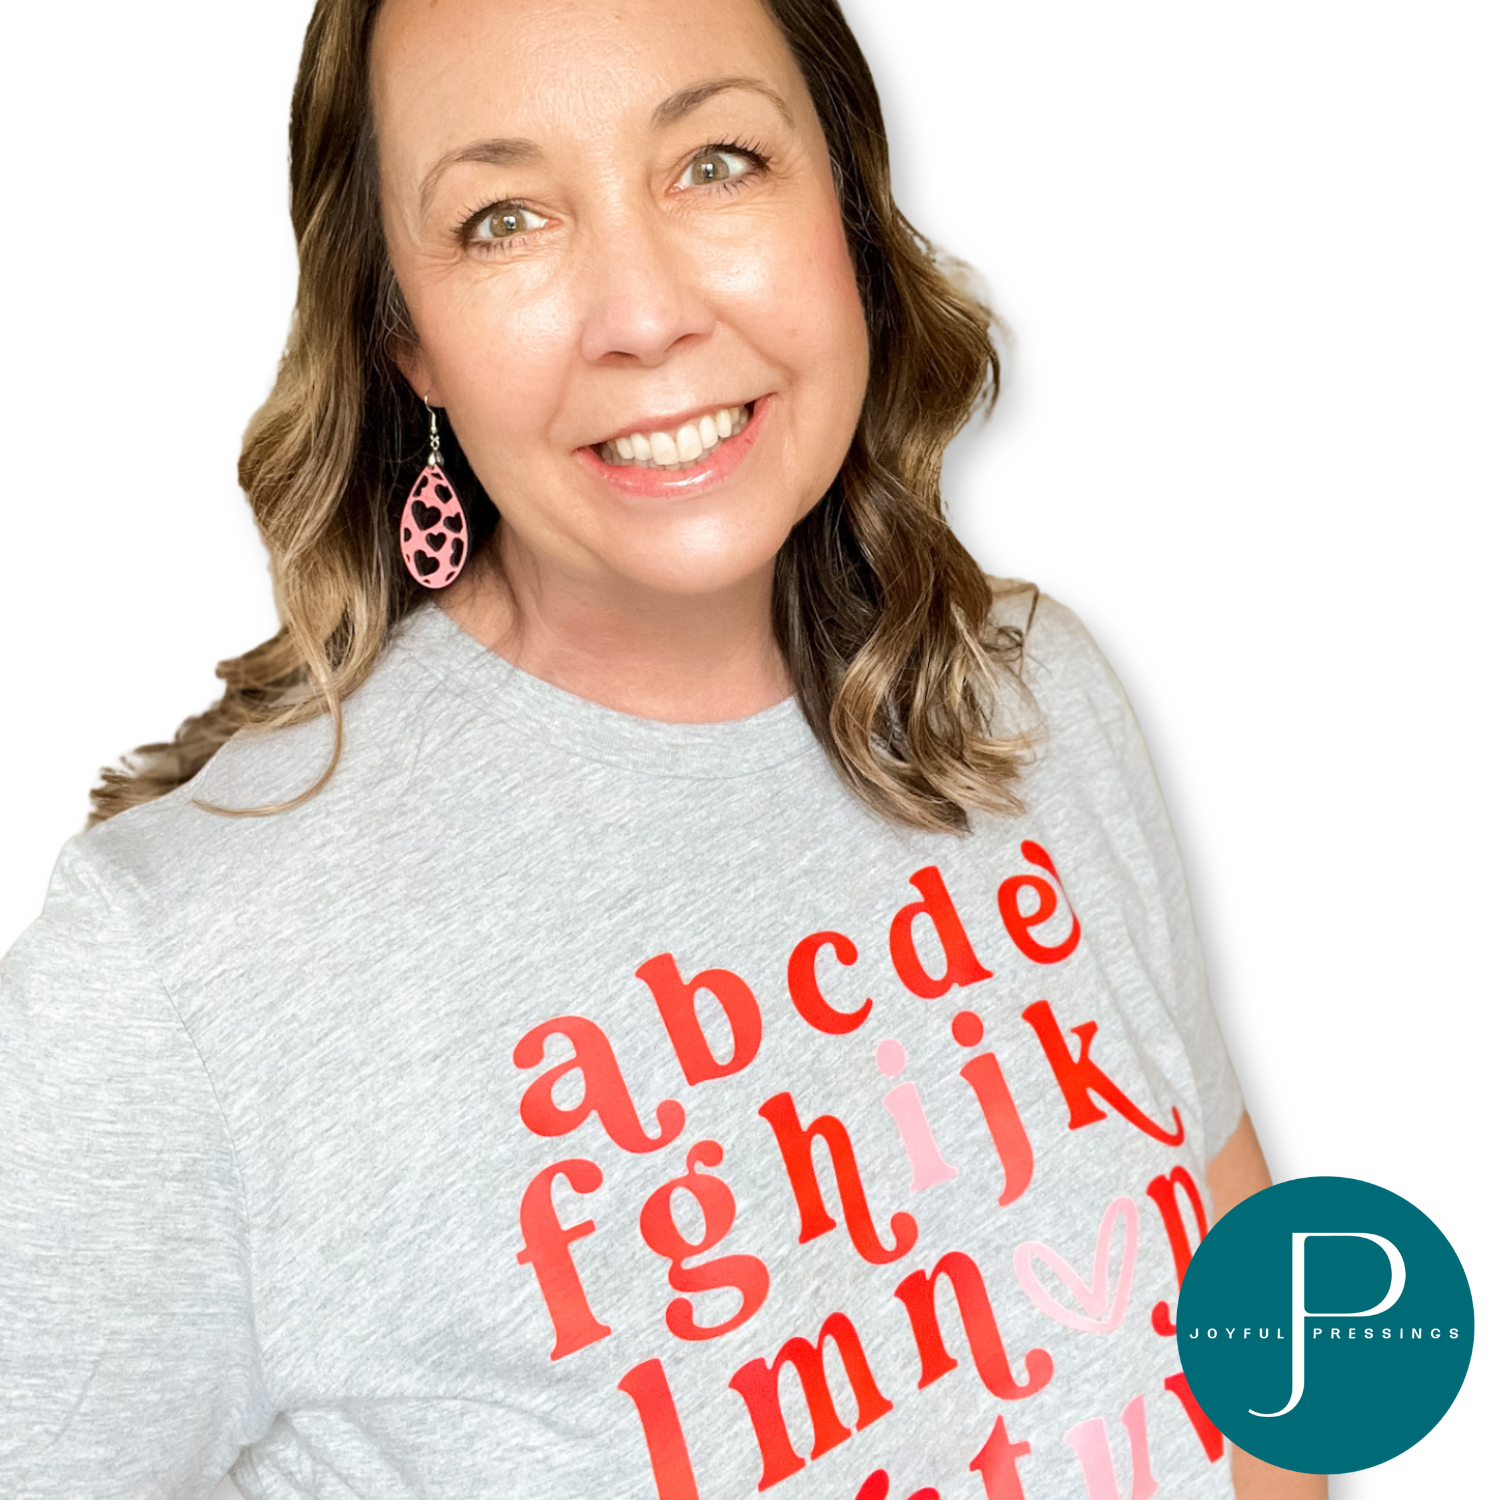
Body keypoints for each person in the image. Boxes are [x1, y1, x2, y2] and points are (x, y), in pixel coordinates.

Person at [0, 1, 1325, 1496]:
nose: (643, 311)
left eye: (717, 162)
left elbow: (1253, 1319)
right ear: (404, 339)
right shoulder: (172, 973)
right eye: (504, 218)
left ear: (843, 204)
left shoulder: (1026, 691)